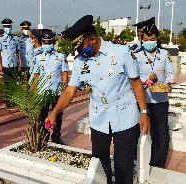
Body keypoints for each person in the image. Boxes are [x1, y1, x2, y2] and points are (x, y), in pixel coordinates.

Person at [45, 15, 150, 184]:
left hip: (125, 114)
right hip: (99, 117)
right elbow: (70, 90)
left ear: (92, 39)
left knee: (124, 165)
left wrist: (144, 112)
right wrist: (54, 112)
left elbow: (136, 82)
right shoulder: (80, 62)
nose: (79, 52)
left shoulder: (122, 52)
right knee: (100, 163)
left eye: (80, 46)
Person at [132, 17, 175, 168]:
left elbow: (170, 73)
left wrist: (167, 84)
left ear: (157, 39)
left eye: (152, 39)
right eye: (146, 39)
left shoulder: (164, 54)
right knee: (141, 131)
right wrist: (146, 81)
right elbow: (133, 78)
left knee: (161, 131)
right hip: (143, 99)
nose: (149, 41)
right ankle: (141, 159)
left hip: (160, 98)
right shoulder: (136, 56)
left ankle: (158, 162)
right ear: (141, 39)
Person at [33, 32, 69, 145]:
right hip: (42, 90)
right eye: (44, 43)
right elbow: (36, 75)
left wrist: (64, 89)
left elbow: (64, 74)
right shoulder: (38, 57)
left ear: (53, 42)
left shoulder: (61, 56)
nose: (46, 45)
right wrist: (34, 91)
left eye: (49, 43)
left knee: (57, 113)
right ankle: (44, 135)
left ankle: (56, 135)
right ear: (42, 43)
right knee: (42, 114)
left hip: (56, 90)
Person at [0, 18, 22, 107]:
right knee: (7, 83)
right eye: (6, 26)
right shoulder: (0, 38)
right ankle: (8, 102)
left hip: (14, 63)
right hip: (6, 64)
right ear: (3, 28)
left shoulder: (15, 37)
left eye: (10, 26)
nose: (9, 28)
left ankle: (14, 100)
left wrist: (20, 63)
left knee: (14, 83)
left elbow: (18, 51)